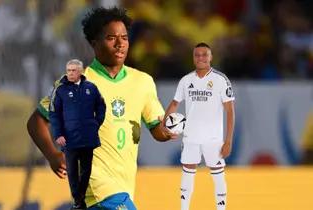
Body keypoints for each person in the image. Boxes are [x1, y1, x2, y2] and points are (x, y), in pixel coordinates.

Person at [27, 7, 176, 210]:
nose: (120, 43)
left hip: (121, 186)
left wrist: (168, 129)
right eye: (111, 38)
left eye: (124, 37)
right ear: (94, 43)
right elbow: (36, 121)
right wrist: (53, 156)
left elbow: (157, 130)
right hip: (95, 185)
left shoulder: (142, 82)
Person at [164, 42, 235, 210]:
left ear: (211, 57)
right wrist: (164, 125)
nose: (201, 58)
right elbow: (175, 103)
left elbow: (230, 111)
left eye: (204, 54)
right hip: (191, 137)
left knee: (217, 174)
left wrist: (228, 140)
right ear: (193, 58)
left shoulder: (220, 80)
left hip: (213, 138)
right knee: (187, 171)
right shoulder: (186, 80)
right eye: (197, 55)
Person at [49, 59, 106, 209]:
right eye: (68, 70)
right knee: (73, 171)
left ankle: (79, 199)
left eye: (73, 70)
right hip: (69, 138)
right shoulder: (60, 90)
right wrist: (58, 134)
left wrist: (96, 123)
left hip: (88, 137)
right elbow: (54, 113)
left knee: (86, 170)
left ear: (80, 72)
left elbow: (101, 105)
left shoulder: (91, 88)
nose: (70, 73)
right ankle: (78, 201)